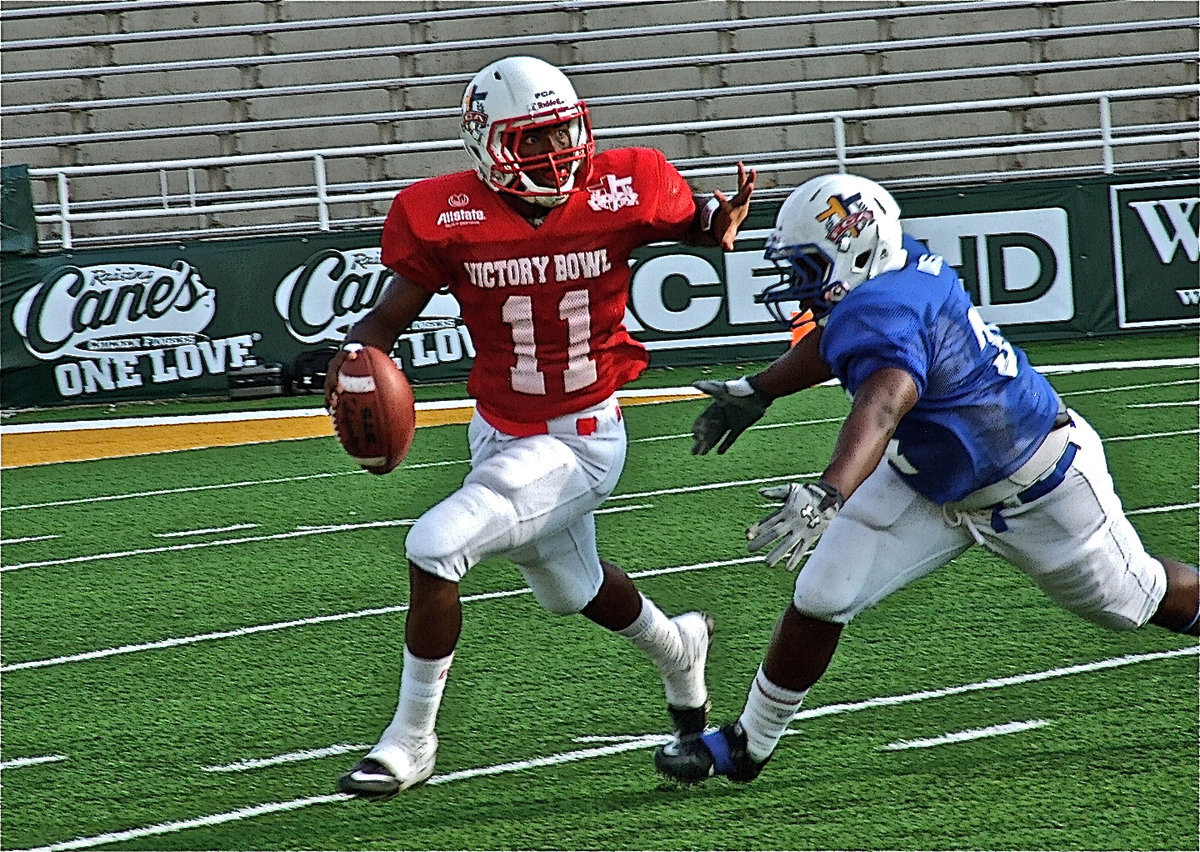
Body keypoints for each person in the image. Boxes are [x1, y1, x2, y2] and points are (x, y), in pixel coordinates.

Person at [653, 172, 1200, 783]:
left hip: (1036, 485)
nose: (796, 280)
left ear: (853, 250)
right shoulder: (897, 267)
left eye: (808, 264)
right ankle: (748, 743)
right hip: (930, 475)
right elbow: (836, 338)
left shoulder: (881, 305)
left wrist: (829, 492)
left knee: (1135, 599)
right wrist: (759, 390)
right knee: (822, 593)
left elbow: (887, 400)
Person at [323, 55, 756, 799]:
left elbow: (690, 223)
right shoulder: (441, 214)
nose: (555, 155)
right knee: (574, 589)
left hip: (580, 439)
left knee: (433, 547)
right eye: (531, 141)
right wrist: (353, 360)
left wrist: (712, 227)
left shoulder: (627, 184)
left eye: (563, 134)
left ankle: (411, 740)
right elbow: (390, 319)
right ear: (487, 144)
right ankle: (680, 647)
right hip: (498, 430)